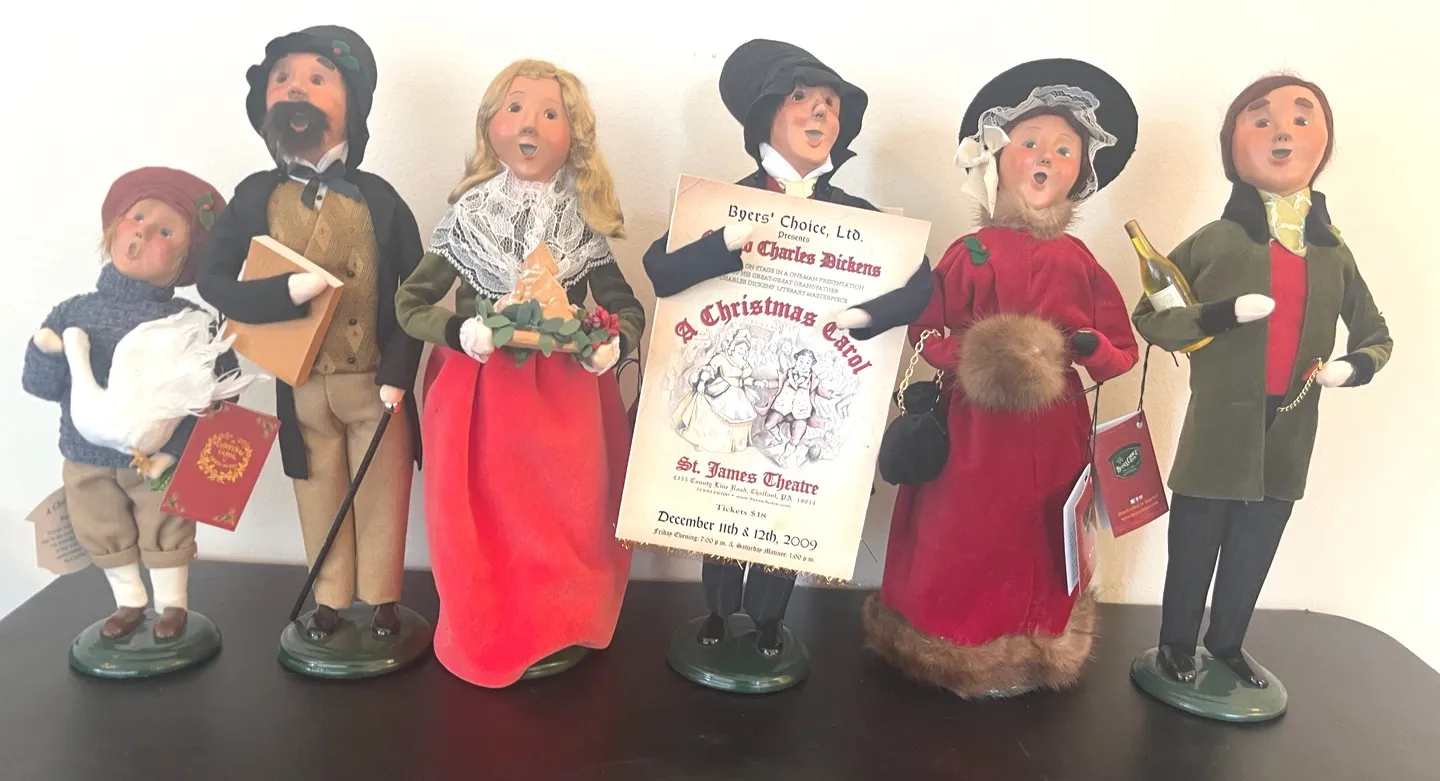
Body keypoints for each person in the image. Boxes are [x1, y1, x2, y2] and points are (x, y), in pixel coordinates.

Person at [864, 59, 1140, 697]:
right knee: (961, 528)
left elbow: (1120, 350)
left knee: (1040, 531)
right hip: (973, 429)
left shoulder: (1079, 261)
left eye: (1064, 149)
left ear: (1081, 171)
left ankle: (1037, 638)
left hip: (1053, 432)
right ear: (998, 159)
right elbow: (925, 326)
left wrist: (1090, 348)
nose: (1046, 157)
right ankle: (946, 636)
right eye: (1030, 142)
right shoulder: (971, 253)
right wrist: (968, 356)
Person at [1132, 74, 1393, 689]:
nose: (1283, 132)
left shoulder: (1333, 254)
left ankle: (1227, 644)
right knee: (1195, 540)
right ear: (1233, 143)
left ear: (1324, 142)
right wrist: (1218, 315)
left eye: (1302, 118)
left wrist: (1354, 367)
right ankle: (1175, 643)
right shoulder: (1215, 241)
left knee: (1255, 544)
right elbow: (1151, 316)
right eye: (1261, 119)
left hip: (1292, 426)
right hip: (1218, 425)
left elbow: (1376, 333)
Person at [395, 58, 644, 688]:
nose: (530, 125)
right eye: (515, 108)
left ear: (573, 134)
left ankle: (562, 620)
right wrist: (460, 330)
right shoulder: (470, 216)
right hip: (480, 396)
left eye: (550, 113)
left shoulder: (580, 221)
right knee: (482, 515)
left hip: (567, 401)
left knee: (568, 512)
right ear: (490, 124)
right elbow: (411, 303)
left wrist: (611, 342)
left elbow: (624, 304)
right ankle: (490, 628)